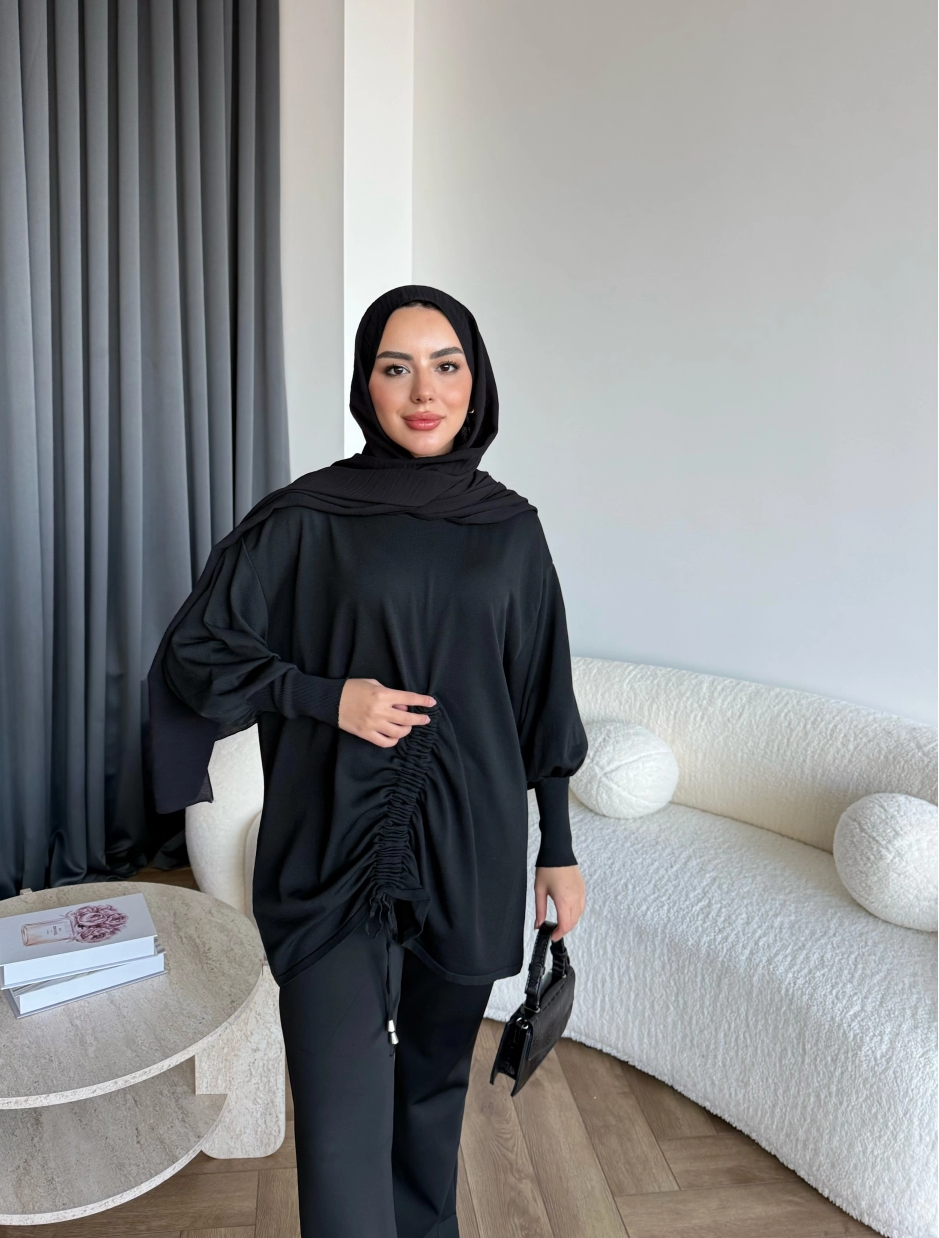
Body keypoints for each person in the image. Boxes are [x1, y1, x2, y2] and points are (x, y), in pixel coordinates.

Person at [147, 285, 587, 1238]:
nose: (424, 391)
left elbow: (540, 695)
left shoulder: (510, 528)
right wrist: (323, 695)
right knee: (343, 1123)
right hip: (329, 847)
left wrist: (557, 846)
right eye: (397, 367)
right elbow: (196, 651)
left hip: (471, 846)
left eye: (445, 365)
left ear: (475, 381)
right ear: (365, 383)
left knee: (431, 1096)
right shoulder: (308, 518)